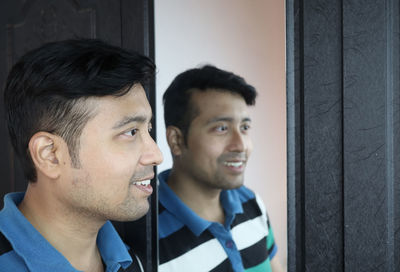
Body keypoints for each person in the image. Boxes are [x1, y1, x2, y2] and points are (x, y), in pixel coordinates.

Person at [0, 39, 163, 271]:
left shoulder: (127, 260)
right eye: (131, 132)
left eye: (148, 130)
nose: (156, 155)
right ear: (50, 155)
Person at [158, 65, 283, 272]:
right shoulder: (146, 236)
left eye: (244, 127)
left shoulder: (251, 203)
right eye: (221, 128)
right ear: (176, 140)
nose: (241, 145)